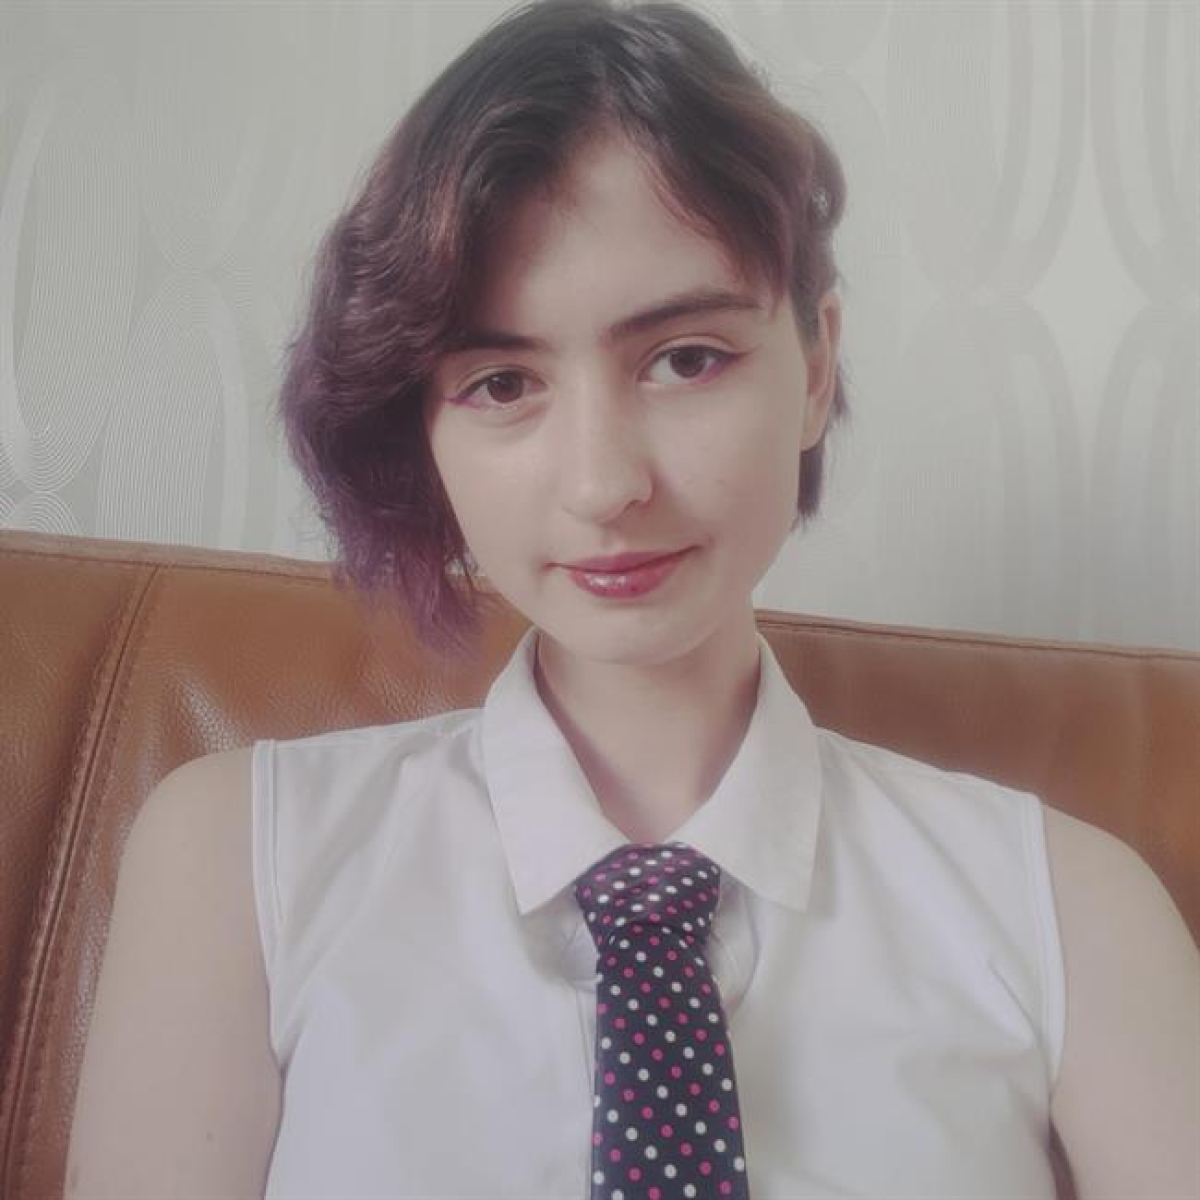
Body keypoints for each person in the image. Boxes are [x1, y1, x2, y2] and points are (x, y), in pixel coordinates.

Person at [67, 1, 1198, 1197]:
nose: (604, 484)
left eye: (686, 358)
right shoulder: (238, 858)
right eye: (501, 382)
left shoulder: (1067, 906)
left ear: (815, 367)